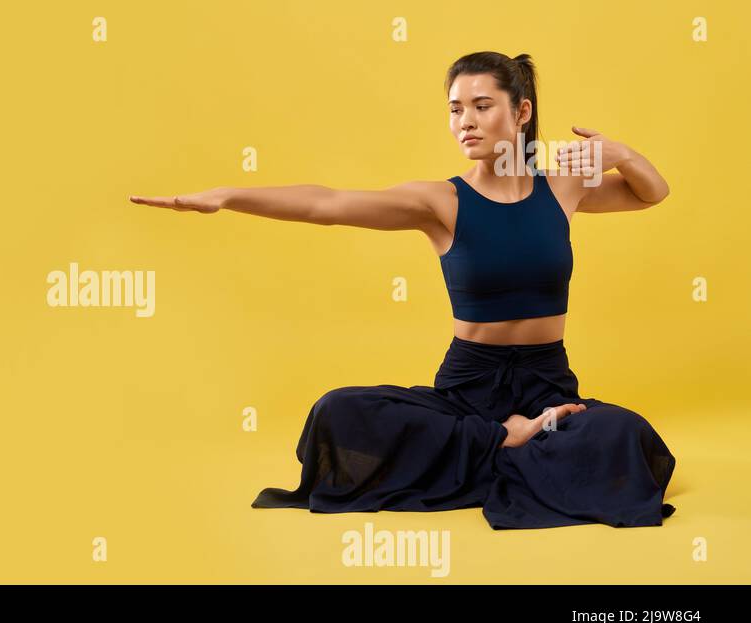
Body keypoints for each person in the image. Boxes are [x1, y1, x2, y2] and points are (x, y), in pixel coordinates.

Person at [128, 51, 676, 529]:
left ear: (521, 112)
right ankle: (505, 440)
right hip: (468, 386)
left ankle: (511, 437)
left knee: (628, 436)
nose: (465, 121)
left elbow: (651, 193)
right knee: (338, 412)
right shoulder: (439, 201)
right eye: (455, 108)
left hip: (548, 384)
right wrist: (227, 195)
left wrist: (621, 154)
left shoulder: (563, 187)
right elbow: (327, 205)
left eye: (482, 105)